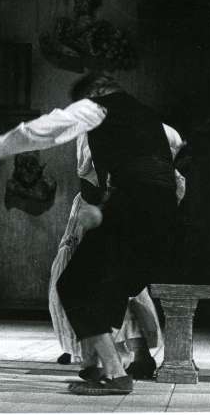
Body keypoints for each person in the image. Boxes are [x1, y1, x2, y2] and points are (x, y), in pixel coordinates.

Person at [0, 72, 179, 395]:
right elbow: (174, 148)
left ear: (95, 92)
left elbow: (45, 129)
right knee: (110, 287)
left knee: (73, 285)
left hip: (130, 204)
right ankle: (98, 365)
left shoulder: (97, 107)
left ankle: (116, 375)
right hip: (160, 210)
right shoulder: (148, 116)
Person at [50, 125, 185, 379]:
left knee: (104, 285)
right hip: (116, 209)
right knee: (109, 287)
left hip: (116, 212)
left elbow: (97, 180)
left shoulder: (123, 139)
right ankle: (104, 357)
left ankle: (113, 359)